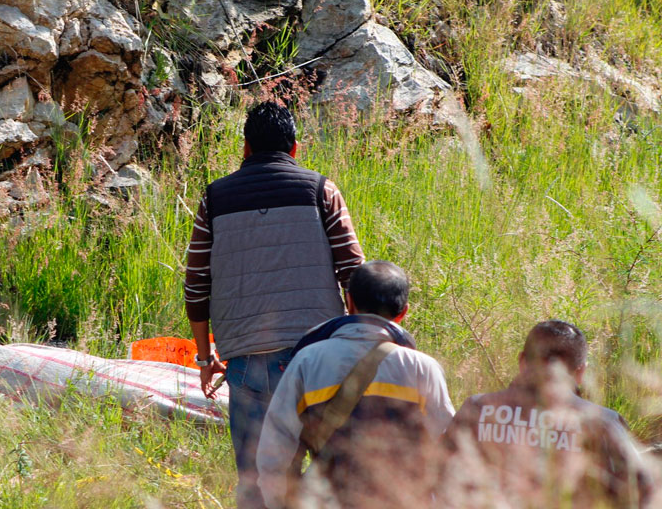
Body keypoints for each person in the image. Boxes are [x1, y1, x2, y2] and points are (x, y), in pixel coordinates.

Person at [183, 101, 365, 508]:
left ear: (245, 148)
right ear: (295, 148)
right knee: (329, 477)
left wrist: (204, 357)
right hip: (318, 359)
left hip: (247, 363)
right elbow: (355, 274)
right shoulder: (321, 191)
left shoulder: (214, 199)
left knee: (256, 480)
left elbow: (196, 286)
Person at [256, 261, 456, 509]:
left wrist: (281, 502)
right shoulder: (422, 368)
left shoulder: (308, 361)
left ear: (349, 302)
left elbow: (277, 450)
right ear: (403, 312)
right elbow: (448, 449)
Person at [441, 320, 656, 507]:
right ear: (581, 371)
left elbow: (437, 473)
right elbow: (642, 494)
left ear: (522, 361)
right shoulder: (602, 422)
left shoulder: (477, 409)